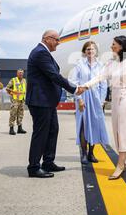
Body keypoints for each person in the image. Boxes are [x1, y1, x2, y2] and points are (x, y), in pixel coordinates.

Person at [82, 36, 126, 180]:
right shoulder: (111, 63)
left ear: (121, 46)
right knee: (117, 131)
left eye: (114, 44)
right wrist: (85, 86)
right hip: (115, 98)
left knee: (123, 131)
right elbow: (100, 77)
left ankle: (120, 165)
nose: (111, 46)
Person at [25, 30, 85, 178]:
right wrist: (75, 88)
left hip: (47, 101)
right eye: (57, 40)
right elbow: (54, 75)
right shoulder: (40, 53)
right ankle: (33, 167)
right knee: (41, 133)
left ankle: (48, 162)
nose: (59, 43)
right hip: (40, 101)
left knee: (52, 130)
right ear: (47, 39)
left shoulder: (44, 53)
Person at [69, 41, 109, 165]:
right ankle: (84, 154)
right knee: (83, 126)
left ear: (96, 51)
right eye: (88, 49)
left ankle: (92, 153)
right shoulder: (79, 65)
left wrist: (102, 101)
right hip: (83, 97)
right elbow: (73, 82)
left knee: (95, 126)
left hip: (96, 99)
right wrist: (78, 99)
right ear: (84, 52)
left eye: (92, 49)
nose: (90, 51)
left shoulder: (101, 66)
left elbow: (104, 84)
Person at [6, 69, 27, 135]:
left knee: (21, 114)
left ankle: (19, 128)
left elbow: (25, 89)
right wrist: (12, 93)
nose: (21, 74)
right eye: (19, 73)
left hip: (22, 100)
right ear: (17, 74)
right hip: (15, 100)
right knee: (13, 114)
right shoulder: (13, 80)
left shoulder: (24, 80)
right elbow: (7, 88)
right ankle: (11, 128)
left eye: (22, 73)